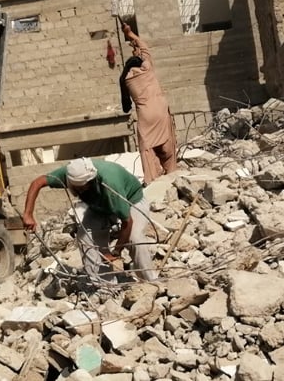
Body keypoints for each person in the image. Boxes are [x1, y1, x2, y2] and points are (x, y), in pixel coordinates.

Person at [22, 157, 158, 283]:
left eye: (87, 186)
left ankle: (150, 281)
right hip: (99, 206)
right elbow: (37, 182)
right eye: (80, 189)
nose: (84, 190)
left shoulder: (110, 184)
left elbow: (127, 222)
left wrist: (116, 251)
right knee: (85, 237)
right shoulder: (69, 173)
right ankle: (104, 285)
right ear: (71, 183)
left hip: (131, 201)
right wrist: (28, 214)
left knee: (135, 238)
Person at [120, 23, 178, 183]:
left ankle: (152, 179)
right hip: (160, 110)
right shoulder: (147, 69)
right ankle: (171, 172)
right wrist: (130, 34)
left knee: (147, 149)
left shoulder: (127, 80)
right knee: (168, 144)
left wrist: (135, 52)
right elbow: (145, 50)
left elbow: (126, 107)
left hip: (146, 116)